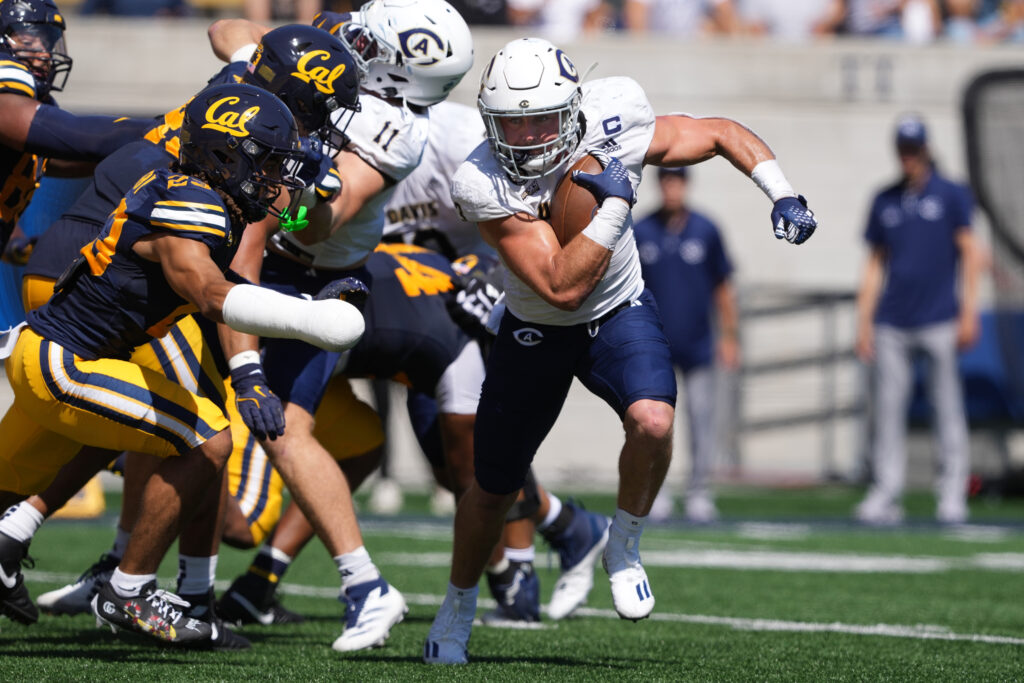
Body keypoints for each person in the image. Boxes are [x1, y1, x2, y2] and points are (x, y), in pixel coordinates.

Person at [423, 36, 817, 664]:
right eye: (511, 122)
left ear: (573, 108)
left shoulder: (616, 114)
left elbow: (714, 133)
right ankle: (457, 607)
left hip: (619, 309)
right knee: (492, 486)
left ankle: (624, 542)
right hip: (538, 324)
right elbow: (559, 285)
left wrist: (781, 190)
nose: (525, 136)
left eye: (539, 119)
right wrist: (616, 203)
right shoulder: (478, 176)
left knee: (654, 420)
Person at [0, 24, 361, 637]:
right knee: (206, 437)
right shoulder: (194, 196)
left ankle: (37, 544)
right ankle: (131, 589)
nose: (280, 179)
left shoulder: (216, 170)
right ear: (234, 155)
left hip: (74, 348)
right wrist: (302, 319)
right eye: (271, 165)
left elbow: (296, 215)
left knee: (156, 432)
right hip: (64, 359)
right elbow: (212, 290)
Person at [214, 1, 474, 653]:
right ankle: (144, 573)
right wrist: (252, 72)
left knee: (277, 424)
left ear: (397, 77)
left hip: (310, 275)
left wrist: (273, 181)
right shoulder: (337, 42)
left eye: (374, 39)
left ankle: (361, 585)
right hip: (263, 247)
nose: (354, 32)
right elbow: (229, 31)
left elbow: (322, 216)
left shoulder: (396, 128)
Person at [854, 114, 981, 526]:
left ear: (925, 149)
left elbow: (970, 252)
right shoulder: (885, 199)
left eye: (914, 148)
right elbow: (874, 264)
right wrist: (864, 321)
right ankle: (887, 492)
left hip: (939, 317)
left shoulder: (951, 194)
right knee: (889, 410)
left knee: (947, 407)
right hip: (893, 320)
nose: (908, 156)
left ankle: (952, 492)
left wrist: (968, 310)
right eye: (903, 149)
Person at [634, 166, 738, 523]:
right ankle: (657, 491)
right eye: (666, 180)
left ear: (686, 184)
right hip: (654, 346)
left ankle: (699, 491)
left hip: (698, 343)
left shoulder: (706, 230)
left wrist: (729, 335)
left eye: (677, 180)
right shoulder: (641, 230)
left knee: (701, 420)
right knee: (656, 424)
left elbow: (723, 286)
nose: (671, 187)